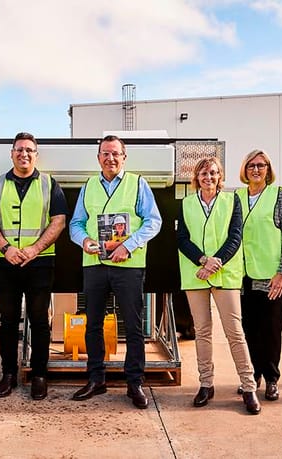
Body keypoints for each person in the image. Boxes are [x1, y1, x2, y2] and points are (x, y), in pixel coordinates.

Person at [69, 134, 162, 410]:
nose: (110, 158)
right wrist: (84, 241)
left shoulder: (138, 183)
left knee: (133, 327)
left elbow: (153, 221)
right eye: (105, 154)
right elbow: (76, 224)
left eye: (115, 153)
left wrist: (128, 246)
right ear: (98, 158)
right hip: (95, 265)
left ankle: (134, 383)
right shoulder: (89, 186)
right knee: (93, 325)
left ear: (124, 157)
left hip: (128, 266)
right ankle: (96, 379)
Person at [0, 132, 67, 400]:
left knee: (39, 320)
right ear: (12, 154)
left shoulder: (49, 184)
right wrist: (6, 248)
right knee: (8, 321)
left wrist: (34, 249)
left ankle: (39, 375)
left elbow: (59, 221)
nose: (24, 154)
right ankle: (8, 374)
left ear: (36, 155)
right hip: (5, 262)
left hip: (40, 263)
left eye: (29, 150)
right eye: (19, 149)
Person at [177, 156, 261, 414]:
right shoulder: (186, 203)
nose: (208, 177)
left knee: (235, 331)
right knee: (202, 331)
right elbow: (182, 239)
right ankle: (206, 384)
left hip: (225, 274)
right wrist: (203, 260)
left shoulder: (232, 200)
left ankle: (249, 387)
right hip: (196, 274)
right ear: (196, 177)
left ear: (220, 176)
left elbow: (235, 236)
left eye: (213, 172)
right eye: (203, 173)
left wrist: (216, 262)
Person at [235, 149, 282, 401]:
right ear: (245, 169)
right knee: (248, 328)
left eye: (261, 165)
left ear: (268, 170)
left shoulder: (279, 195)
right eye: (251, 165)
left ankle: (271, 378)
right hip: (242, 275)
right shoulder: (236, 197)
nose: (256, 170)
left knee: (270, 328)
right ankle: (253, 376)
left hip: (271, 276)